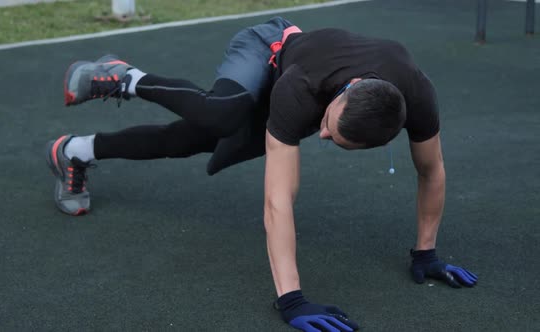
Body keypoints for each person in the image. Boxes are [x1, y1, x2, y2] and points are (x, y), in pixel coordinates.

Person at [45, 17, 478, 332]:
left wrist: (426, 253)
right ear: (345, 94)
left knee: (189, 141)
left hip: (298, 87)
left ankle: (75, 152)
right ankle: (127, 77)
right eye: (327, 123)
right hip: (268, 48)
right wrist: (291, 299)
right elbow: (278, 201)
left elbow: (431, 170)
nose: (322, 134)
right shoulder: (305, 90)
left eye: (333, 139)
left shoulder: (418, 96)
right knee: (222, 115)